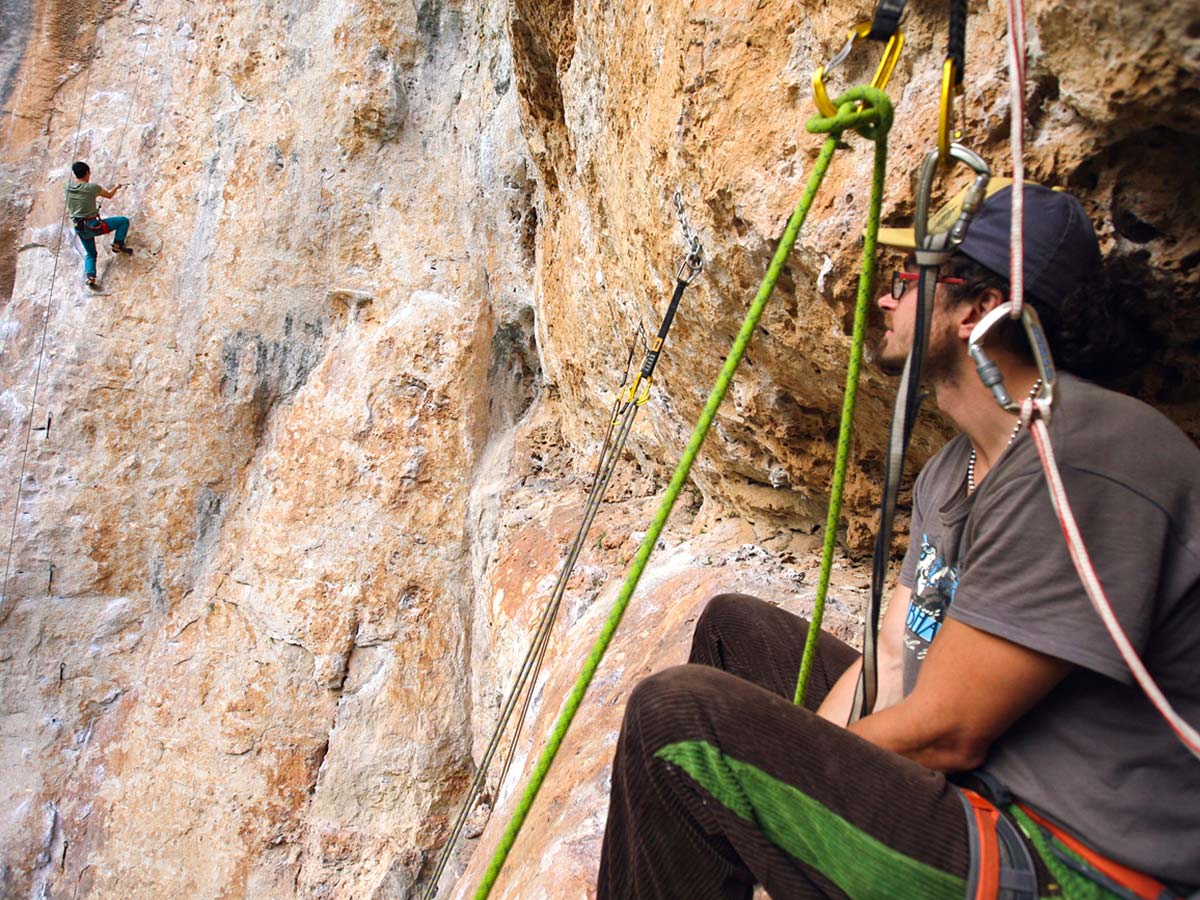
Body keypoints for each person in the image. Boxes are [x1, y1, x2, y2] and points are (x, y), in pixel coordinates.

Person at [596, 184, 1200, 899]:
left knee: (680, 719)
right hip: (989, 781)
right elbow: (892, 654)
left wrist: (798, 789)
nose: (885, 300)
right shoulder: (957, 467)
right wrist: (795, 796)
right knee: (738, 631)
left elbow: (947, 732)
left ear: (980, 309)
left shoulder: (1081, 456)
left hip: (1065, 856)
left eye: (909, 282)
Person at [65, 161, 132, 289]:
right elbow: (109, 195)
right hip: (93, 225)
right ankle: (118, 244)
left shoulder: (67, 187)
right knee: (123, 221)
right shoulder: (92, 188)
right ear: (87, 172)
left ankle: (91, 277)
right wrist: (116, 187)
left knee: (90, 254)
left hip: (80, 228)